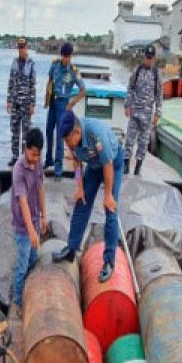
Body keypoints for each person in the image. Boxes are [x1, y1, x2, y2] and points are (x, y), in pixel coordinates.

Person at [51, 110, 123, 283]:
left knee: (110, 209)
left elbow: (107, 165)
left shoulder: (95, 134)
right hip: (94, 165)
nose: (68, 145)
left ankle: (109, 262)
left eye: (69, 141)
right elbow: (76, 162)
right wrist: (80, 187)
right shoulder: (73, 142)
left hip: (112, 163)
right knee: (81, 203)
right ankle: (71, 248)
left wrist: (108, 195)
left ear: (77, 132)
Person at [10, 127, 46, 312]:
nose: (35, 159)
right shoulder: (18, 170)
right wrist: (31, 231)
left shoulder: (38, 164)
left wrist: (44, 216)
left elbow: (40, 188)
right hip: (23, 225)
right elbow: (23, 202)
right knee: (22, 265)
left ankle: (29, 292)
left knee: (33, 260)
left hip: (35, 218)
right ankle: (17, 300)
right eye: (32, 155)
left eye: (38, 155)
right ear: (26, 148)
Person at [44, 42, 86, 177]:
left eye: (67, 56)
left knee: (60, 136)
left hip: (63, 103)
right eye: (63, 56)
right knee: (49, 131)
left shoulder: (74, 71)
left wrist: (72, 103)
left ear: (71, 56)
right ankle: (48, 159)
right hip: (53, 102)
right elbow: (50, 79)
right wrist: (47, 95)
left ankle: (58, 169)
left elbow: (83, 90)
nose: (65, 59)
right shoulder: (54, 65)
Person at [124, 46, 162, 176]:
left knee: (143, 143)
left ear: (154, 58)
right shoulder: (137, 71)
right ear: (144, 57)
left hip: (147, 115)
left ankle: (138, 168)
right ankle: (126, 166)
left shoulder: (156, 74)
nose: (149, 60)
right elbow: (130, 88)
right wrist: (127, 106)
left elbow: (159, 95)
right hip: (135, 112)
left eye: (151, 58)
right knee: (129, 140)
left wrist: (158, 113)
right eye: (147, 57)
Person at [6, 37, 36, 166]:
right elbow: (11, 82)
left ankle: (25, 158)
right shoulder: (14, 62)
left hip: (26, 103)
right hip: (15, 103)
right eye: (19, 47)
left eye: (23, 47)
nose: (21, 49)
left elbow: (33, 85)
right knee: (14, 131)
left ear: (26, 47)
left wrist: (33, 104)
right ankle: (14, 156)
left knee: (26, 132)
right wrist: (8, 100)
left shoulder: (31, 63)